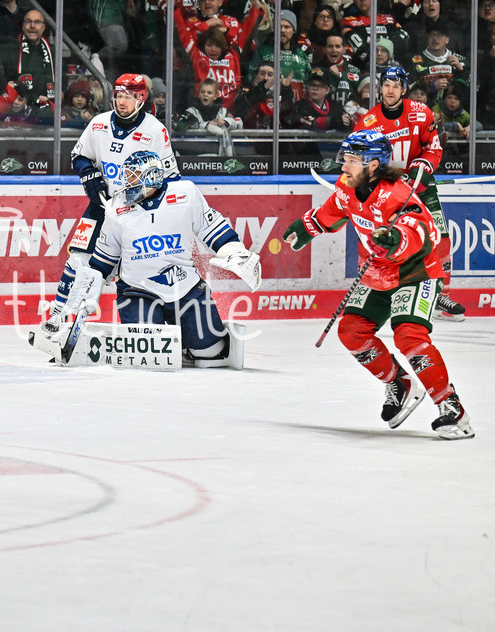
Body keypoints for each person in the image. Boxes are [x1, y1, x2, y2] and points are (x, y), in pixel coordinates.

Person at [282, 129, 473, 440]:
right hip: (379, 272)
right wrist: (306, 228)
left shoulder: (397, 193)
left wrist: (397, 239)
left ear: (373, 165)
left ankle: (452, 407)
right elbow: (330, 213)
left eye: (352, 160)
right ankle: (399, 382)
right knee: (351, 329)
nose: (344, 166)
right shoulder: (347, 187)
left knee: (409, 335)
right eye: (345, 158)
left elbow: (422, 233)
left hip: (416, 271)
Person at [55, 151, 260, 367]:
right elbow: (104, 260)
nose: (128, 181)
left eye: (133, 176)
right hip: (137, 292)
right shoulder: (117, 207)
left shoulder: (186, 194)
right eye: (127, 176)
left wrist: (235, 251)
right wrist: (90, 287)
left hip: (186, 288)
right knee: (148, 358)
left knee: (211, 356)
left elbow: (213, 229)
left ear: (152, 175)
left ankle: (189, 343)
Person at [34, 73, 181, 338]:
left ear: (141, 98)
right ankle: (58, 317)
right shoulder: (99, 124)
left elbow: (171, 177)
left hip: (137, 211)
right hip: (101, 207)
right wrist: (89, 175)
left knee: (132, 268)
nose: (121, 101)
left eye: (127, 96)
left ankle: (155, 322)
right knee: (78, 260)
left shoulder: (155, 130)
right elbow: (79, 156)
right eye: (118, 96)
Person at [353, 65, 462, 321]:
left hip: (421, 187)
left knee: (441, 237)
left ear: (404, 89)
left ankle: (439, 295)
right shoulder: (368, 122)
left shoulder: (421, 113)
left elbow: (432, 148)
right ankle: (384, 290)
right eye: (386, 85)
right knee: (386, 241)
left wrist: (422, 167)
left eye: (395, 85)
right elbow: (358, 161)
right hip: (388, 193)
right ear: (380, 87)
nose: (390, 90)